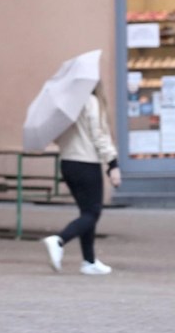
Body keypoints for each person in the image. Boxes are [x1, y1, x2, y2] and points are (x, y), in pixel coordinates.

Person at [42, 83, 121, 275]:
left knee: (86, 212)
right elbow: (99, 135)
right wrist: (112, 164)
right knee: (92, 213)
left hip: (67, 162)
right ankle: (59, 240)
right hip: (86, 163)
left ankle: (89, 261)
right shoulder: (91, 102)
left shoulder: (66, 105)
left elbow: (55, 136)